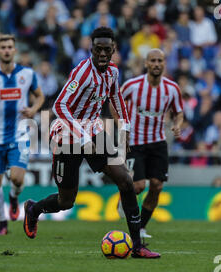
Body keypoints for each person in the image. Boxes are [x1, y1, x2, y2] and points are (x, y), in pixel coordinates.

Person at [23, 27, 160, 259]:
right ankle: (34, 209)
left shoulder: (113, 72)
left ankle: (137, 246)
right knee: (66, 201)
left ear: (114, 49)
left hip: (94, 130)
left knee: (126, 181)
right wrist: (83, 138)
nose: (103, 54)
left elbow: (116, 97)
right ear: (91, 49)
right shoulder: (82, 73)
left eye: (107, 49)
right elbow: (59, 106)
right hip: (67, 135)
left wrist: (125, 127)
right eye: (98, 49)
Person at [0, 35, 44, 236]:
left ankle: (14, 197)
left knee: (17, 178)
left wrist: (34, 109)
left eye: (10, 47)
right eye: (2, 47)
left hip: (19, 134)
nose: (6, 50)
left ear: (15, 50)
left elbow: (40, 96)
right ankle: (2, 222)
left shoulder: (28, 74)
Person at [119, 49, 183, 240]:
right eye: (153, 60)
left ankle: (140, 228)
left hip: (157, 142)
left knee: (157, 186)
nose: (156, 64)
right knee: (138, 186)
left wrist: (177, 125)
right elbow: (115, 103)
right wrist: (121, 124)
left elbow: (178, 112)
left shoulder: (172, 88)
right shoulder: (132, 85)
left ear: (164, 63)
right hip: (134, 142)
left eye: (160, 60)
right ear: (146, 63)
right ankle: (124, 195)